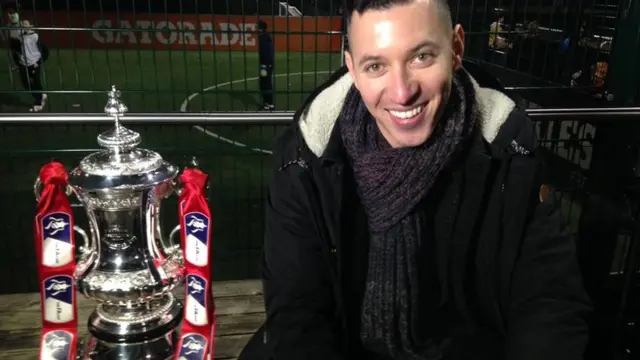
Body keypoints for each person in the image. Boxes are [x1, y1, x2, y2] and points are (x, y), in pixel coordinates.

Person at [239, 0, 592, 359]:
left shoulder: (508, 145)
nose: (402, 92)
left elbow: (549, 299)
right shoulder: (307, 154)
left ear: (456, 49)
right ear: (352, 70)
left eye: (420, 57)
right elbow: (298, 310)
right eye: (376, 65)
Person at [15, 19, 48, 112]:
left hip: (34, 63)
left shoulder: (35, 36)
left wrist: (38, 62)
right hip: (24, 64)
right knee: (25, 83)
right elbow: (19, 50)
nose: (23, 25)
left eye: (25, 24)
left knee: (36, 82)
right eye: (22, 24)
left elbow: (45, 51)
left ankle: (38, 102)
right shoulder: (21, 37)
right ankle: (41, 95)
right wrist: (19, 63)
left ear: (30, 26)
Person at [257, 20, 275, 111]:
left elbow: (264, 52)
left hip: (265, 65)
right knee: (266, 83)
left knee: (264, 84)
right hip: (268, 64)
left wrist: (264, 65)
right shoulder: (267, 36)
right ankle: (269, 104)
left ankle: (268, 104)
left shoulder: (263, 37)